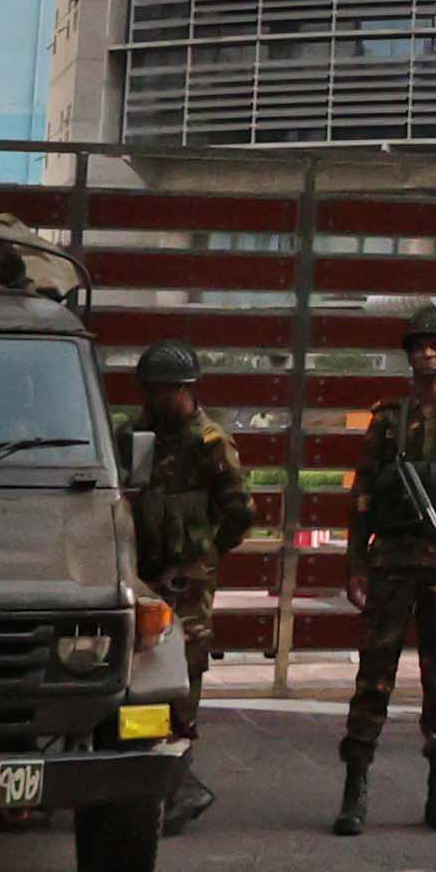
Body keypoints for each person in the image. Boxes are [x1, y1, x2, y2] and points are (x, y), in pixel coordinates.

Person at [334, 298, 436, 837]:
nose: (431, 352)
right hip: (393, 562)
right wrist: (357, 565)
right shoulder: (386, 420)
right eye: (422, 344)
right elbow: (361, 498)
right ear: (409, 356)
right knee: (373, 676)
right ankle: (354, 792)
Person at [123, 340, 254, 830]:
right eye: (150, 391)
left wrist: (205, 557)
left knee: (183, 675)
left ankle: (179, 782)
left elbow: (240, 511)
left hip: (188, 577)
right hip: (144, 570)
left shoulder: (209, 441)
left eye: (163, 391)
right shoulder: (136, 434)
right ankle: (158, 780)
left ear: (184, 390)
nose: (154, 400)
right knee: (141, 672)